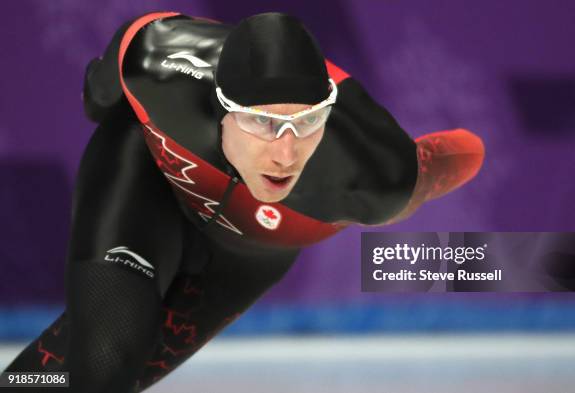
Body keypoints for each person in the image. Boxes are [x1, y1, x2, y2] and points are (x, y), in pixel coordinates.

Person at [3, 11, 484, 392]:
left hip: (244, 257)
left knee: (77, 378)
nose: (286, 152)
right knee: (104, 361)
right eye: (262, 123)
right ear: (220, 106)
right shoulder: (158, 66)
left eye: (308, 122)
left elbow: (456, 155)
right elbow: (123, 59)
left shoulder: (372, 177)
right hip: (145, 180)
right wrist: (98, 97)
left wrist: (458, 152)